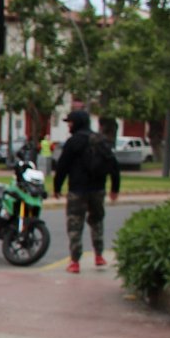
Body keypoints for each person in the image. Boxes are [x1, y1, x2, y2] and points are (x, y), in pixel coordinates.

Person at [52, 110, 121, 274]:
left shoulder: (73, 142)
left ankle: (75, 261)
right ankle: (99, 255)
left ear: (76, 123)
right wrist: (114, 188)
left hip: (77, 189)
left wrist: (57, 187)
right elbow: (114, 165)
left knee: (75, 224)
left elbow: (62, 166)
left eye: (70, 122)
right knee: (97, 221)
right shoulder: (101, 140)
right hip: (98, 189)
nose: (68, 125)